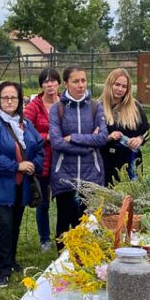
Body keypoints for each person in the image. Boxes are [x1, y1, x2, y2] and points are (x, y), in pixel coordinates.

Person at [0, 81, 45, 287]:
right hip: (1, 184)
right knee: (5, 224)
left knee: (15, 223)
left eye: (13, 98)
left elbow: (39, 148)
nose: (9, 101)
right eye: (5, 97)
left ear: (19, 100)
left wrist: (34, 164)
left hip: (21, 185)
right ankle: (2, 269)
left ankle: (11, 259)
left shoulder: (25, 123)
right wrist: (17, 166)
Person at [49, 65, 108, 250]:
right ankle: (61, 261)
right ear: (66, 84)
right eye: (76, 81)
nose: (81, 85)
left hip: (92, 172)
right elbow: (57, 143)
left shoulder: (95, 106)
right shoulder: (57, 108)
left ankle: (85, 259)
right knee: (64, 220)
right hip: (64, 173)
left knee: (87, 221)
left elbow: (102, 138)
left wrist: (74, 138)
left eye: (83, 80)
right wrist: (88, 147)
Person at [23, 68, 61, 252]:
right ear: (41, 86)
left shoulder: (66, 103)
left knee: (65, 200)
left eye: (53, 81)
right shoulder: (33, 106)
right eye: (46, 82)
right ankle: (44, 238)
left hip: (64, 160)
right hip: (43, 161)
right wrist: (48, 137)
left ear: (59, 83)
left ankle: (64, 235)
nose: (50, 85)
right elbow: (25, 131)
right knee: (43, 203)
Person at [100, 68, 150, 185]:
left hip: (132, 161)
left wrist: (139, 139)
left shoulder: (135, 106)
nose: (120, 89)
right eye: (117, 84)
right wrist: (108, 137)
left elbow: (146, 131)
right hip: (106, 162)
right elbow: (92, 136)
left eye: (124, 86)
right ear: (109, 84)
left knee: (130, 199)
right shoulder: (98, 107)